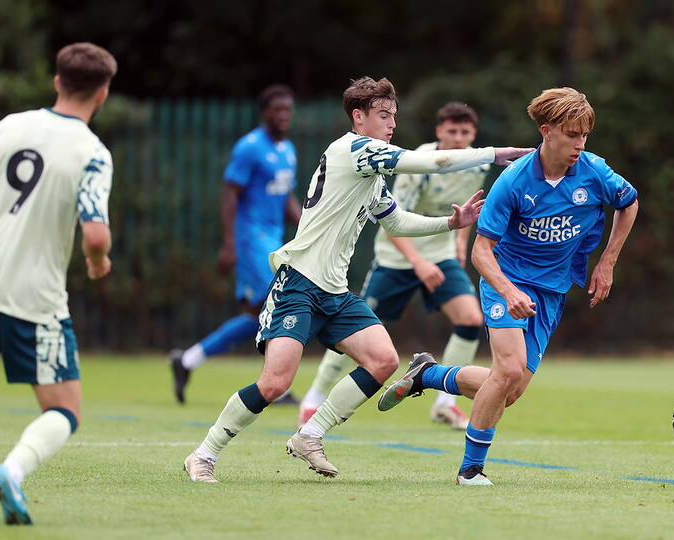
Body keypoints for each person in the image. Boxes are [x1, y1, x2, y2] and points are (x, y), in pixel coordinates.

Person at [181, 76, 532, 483]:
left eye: (393, 117)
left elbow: (396, 221)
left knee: (384, 360)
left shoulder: (371, 171)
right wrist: (491, 153)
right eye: (383, 116)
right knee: (275, 383)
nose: (391, 124)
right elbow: (426, 161)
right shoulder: (353, 149)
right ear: (358, 116)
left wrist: (449, 222)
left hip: (334, 291)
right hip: (299, 282)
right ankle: (204, 454)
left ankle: (310, 434)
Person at [378, 87, 639, 486]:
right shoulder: (513, 181)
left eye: (585, 135)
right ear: (546, 130)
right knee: (508, 369)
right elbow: (481, 253)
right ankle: (470, 470)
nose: (579, 144)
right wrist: (510, 291)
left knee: (510, 390)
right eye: (571, 134)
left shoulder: (594, 170)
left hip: (551, 292)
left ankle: (428, 374)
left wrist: (608, 261)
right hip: (507, 281)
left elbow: (629, 202)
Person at [0, 42, 117, 524]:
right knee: (65, 409)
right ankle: (11, 472)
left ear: (56, 81)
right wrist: (97, 263)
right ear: (102, 93)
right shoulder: (92, 152)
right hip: (33, 298)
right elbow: (95, 233)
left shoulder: (9, 126)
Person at [297, 102, 488, 431]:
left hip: (440, 256)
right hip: (397, 259)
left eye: (465, 132)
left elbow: (468, 207)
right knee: (353, 333)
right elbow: (393, 221)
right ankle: (313, 397)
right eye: (451, 131)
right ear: (439, 132)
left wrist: (458, 243)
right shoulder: (419, 165)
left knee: (471, 319)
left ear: (473, 134)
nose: (458, 138)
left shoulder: (475, 166)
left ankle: (445, 404)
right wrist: (418, 263)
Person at [169, 84, 302, 405]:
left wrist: (310, 229)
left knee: (258, 314)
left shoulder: (288, 150)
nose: (283, 115)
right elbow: (229, 196)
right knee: (280, 303)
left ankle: (187, 360)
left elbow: (286, 199)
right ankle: (276, 386)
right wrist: (229, 244)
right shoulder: (250, 147)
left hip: (273, 239)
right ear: (265, 113)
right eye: (277, 110)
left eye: (288, 110)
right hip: (250, 238)